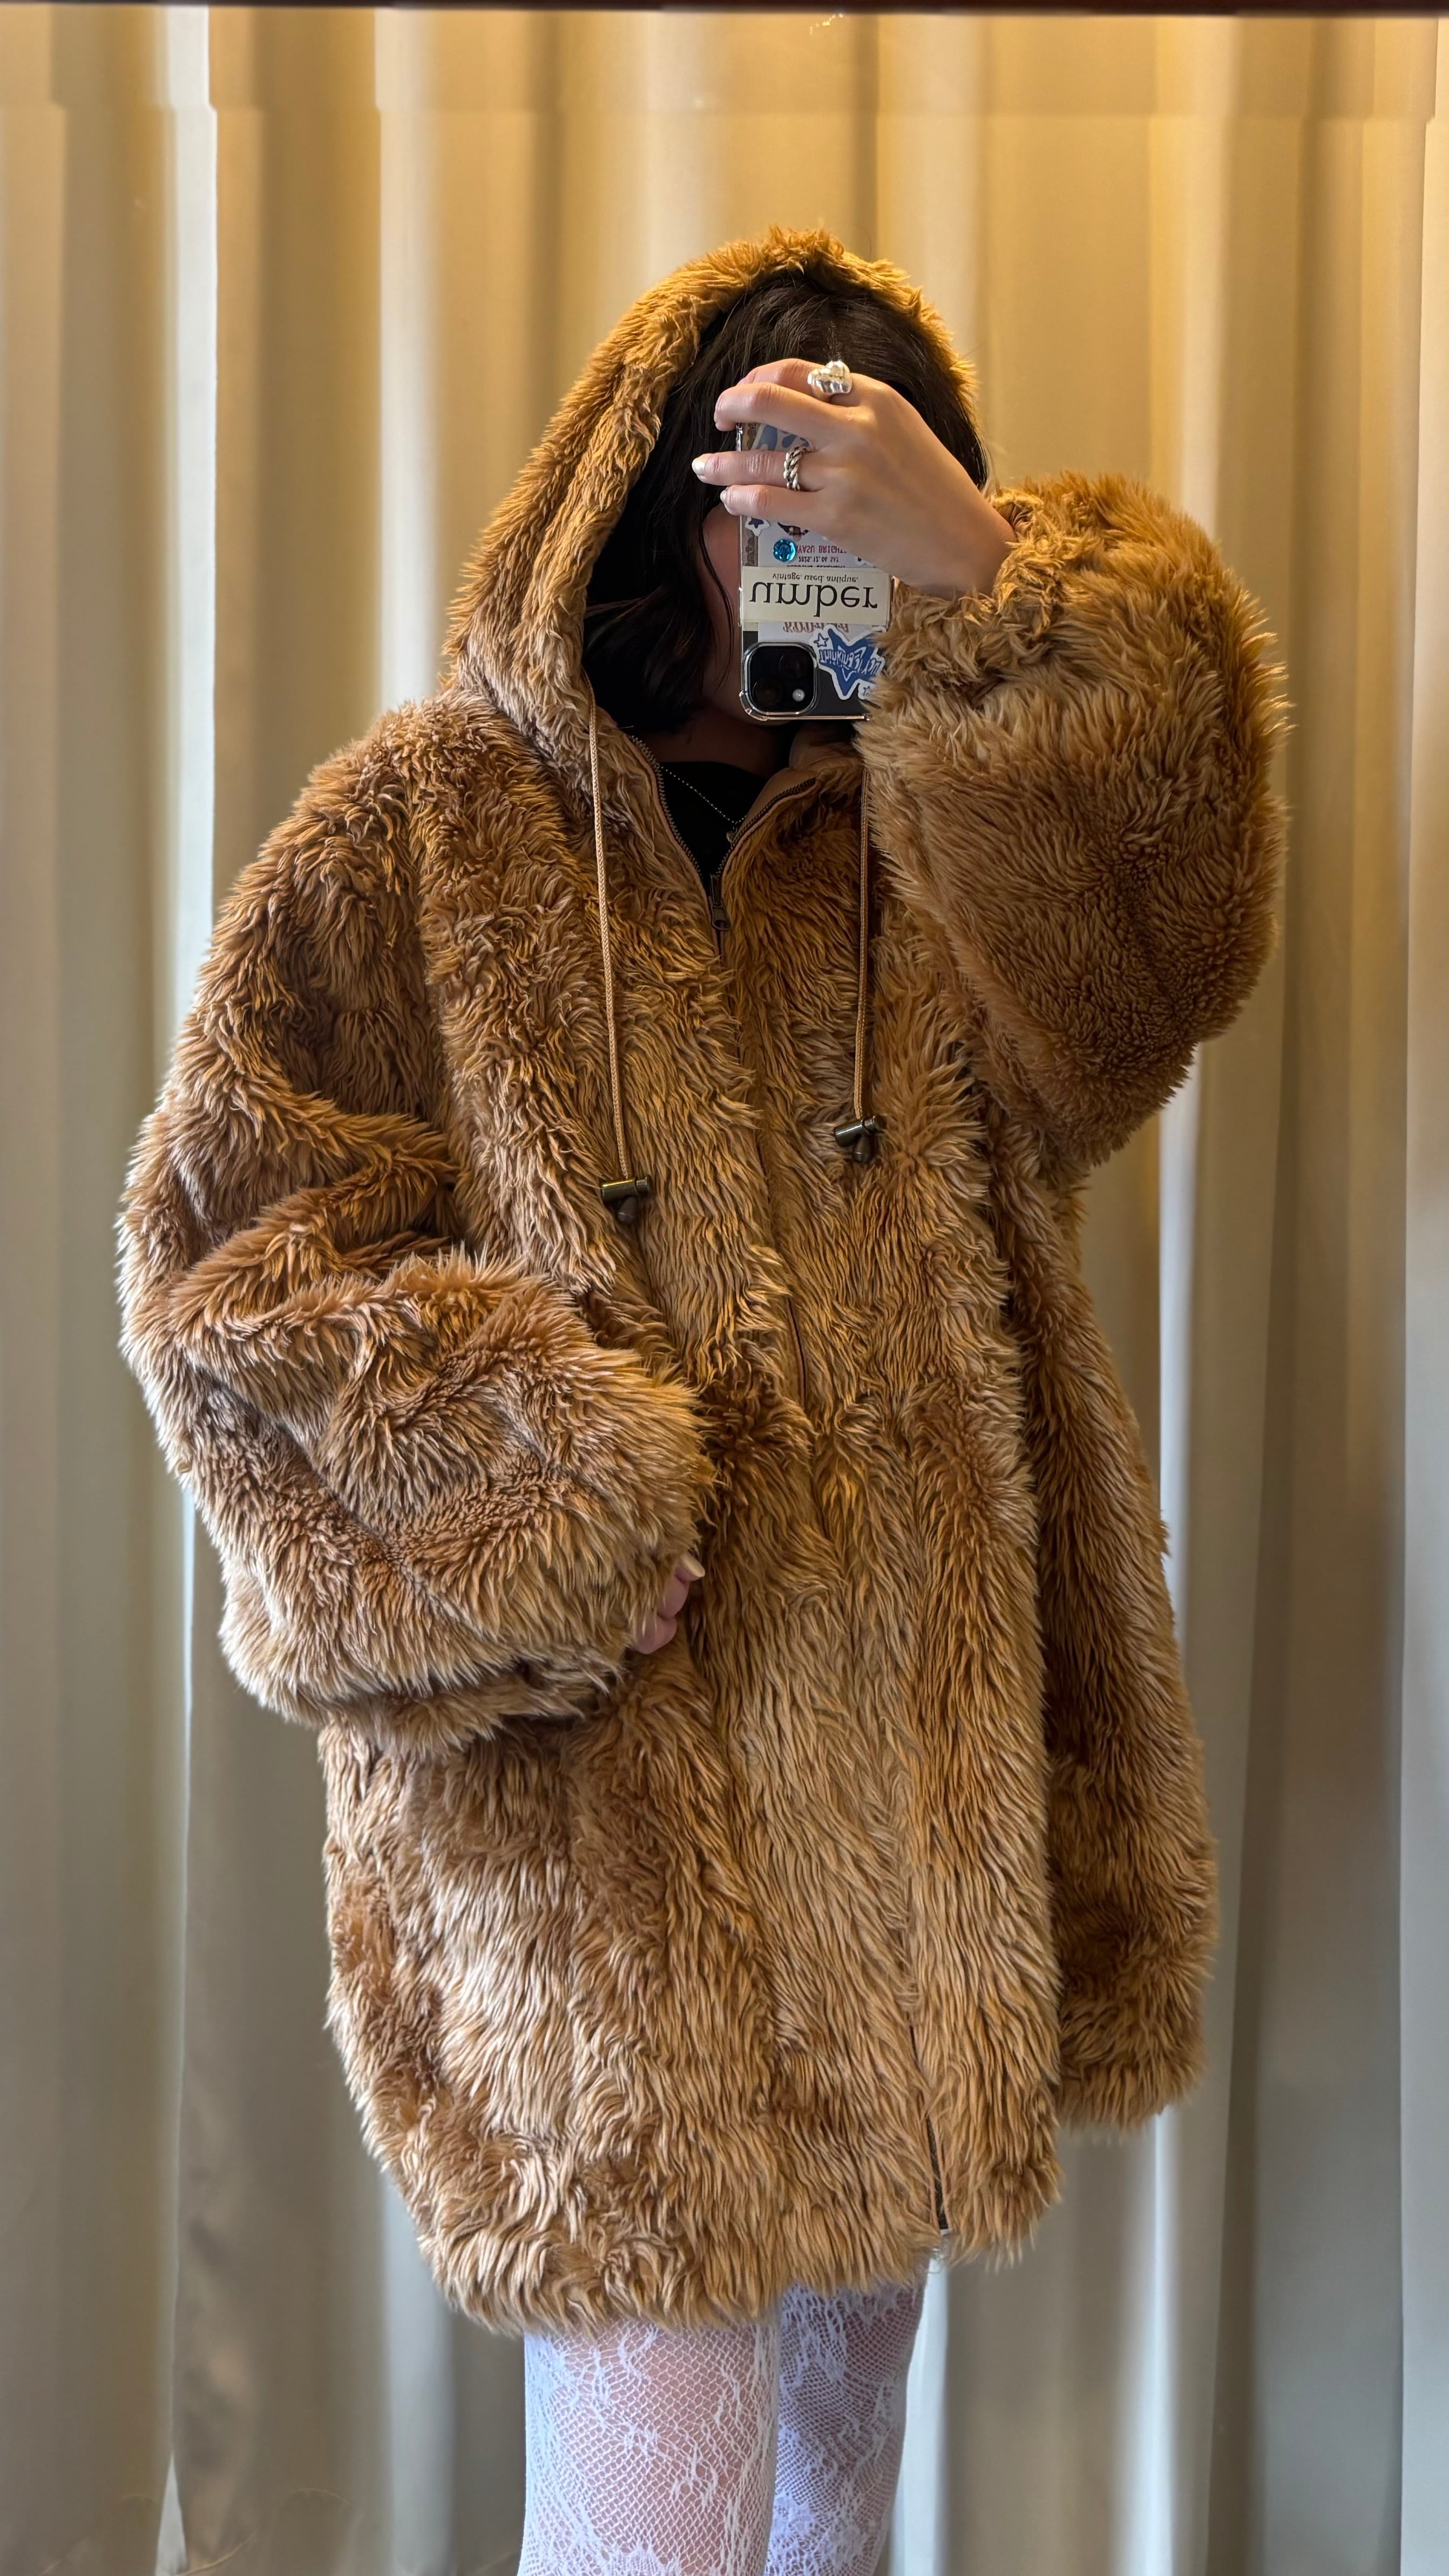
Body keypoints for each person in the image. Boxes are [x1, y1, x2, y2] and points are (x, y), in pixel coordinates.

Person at [119, 228, 1285, 2572]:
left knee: (834, 2499)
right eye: (774, 501)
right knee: (657, 2518)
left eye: (864, 507)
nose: (809, 564)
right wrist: (545, 1500)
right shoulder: (425, 831)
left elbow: (1147, 987)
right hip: (598, 1825)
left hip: (912, 1802)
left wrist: (991, 594)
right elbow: (225, 1271)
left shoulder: (935, 838)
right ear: (660, 502)